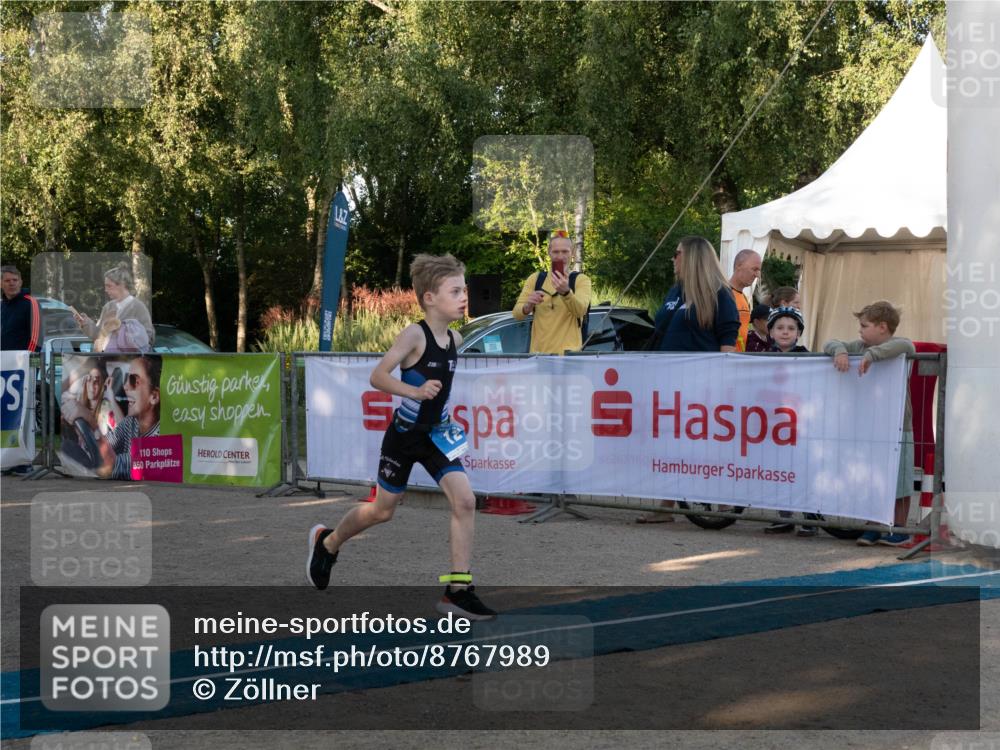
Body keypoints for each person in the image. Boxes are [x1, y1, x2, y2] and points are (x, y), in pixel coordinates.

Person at [306, 253, 496, 620]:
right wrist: (414, 392)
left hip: (436, 436)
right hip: (404, 437)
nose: (464, 297)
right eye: (455, 290)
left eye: (465, 290)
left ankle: (457, 592)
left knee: (466, 501)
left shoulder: (455, 337)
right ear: (429, 298)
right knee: (383, 510)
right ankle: (327, 543)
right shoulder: (414, 335)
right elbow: (378, 376)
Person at [637, 236, 741, 523]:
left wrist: (724, 379)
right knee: (670, 442)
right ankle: (665, 505)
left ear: (693, 257)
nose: (673, 259)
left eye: (677, 253)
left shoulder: (719, 293)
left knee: (704, 442)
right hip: (667, 382)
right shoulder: (675, 292)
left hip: (701, 383)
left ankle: (721, 500)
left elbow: (728, 336)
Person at [824, 301, 915, 547]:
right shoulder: (859, 346)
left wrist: (872, 355)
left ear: (883, 327)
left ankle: (900, 528)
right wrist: (840, 352)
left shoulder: (898, 346)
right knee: (871, 477)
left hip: (898, 425)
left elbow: (906, 344)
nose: (860, 330)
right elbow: (830, 342)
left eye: (864, 325)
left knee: (901, 480)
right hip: (869, 425)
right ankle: (873, 525)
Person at [760, 307, 819, 536]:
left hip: (800, 425)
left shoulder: (808, 357)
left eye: (791, 328)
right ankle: (783, 516)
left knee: (803, 472)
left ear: (799, 333)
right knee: (779, 471)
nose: (785, 332)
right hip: (774, 426)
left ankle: (810, 517)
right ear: (771, 332)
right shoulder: (762, 359)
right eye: (780, 328)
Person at [62, 355, 161, 480]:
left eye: (134, 381)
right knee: (69, 447)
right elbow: (106, 444)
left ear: (154, 397)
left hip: (139, 495)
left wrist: (91, 421)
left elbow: (112, 466)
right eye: (126, 379)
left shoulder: (161, 436)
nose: (125, 386)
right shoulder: (131, 423)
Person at [512, 229, 592, 354]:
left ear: (572, 253)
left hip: (568, 358)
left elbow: (580, 310)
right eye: (555, 252)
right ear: (549, 253)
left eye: (565, 251)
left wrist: (566, 293)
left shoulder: (581, 280)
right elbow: (517, 314)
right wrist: (527, 306)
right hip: (539, 356)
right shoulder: (535, 279)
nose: (560, 256)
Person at [73, 263, 154, 352]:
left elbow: (148, 339)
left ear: (122, 285)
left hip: (128, 361)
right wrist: (86, 323)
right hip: (105, 359)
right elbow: (98, 335)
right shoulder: (108, 307)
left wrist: (121, 333)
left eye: (109, 286)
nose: (105, 290)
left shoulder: (138, 307)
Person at [1, 265, 41, 352]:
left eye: (15, 280)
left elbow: (37, 338)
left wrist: (27, 360)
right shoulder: (2, 305)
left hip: (22, 362)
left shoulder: (31, 303)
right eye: (7, 281)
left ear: (20, 282)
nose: (12, 283)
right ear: (1, 284)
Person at [728, 249, 762, 351]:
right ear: (739, 265)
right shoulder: (723, 295)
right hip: (725, 360)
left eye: (758, 270)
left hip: (738, 360)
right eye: (754, 269)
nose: (757, 275)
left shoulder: (743, 297)